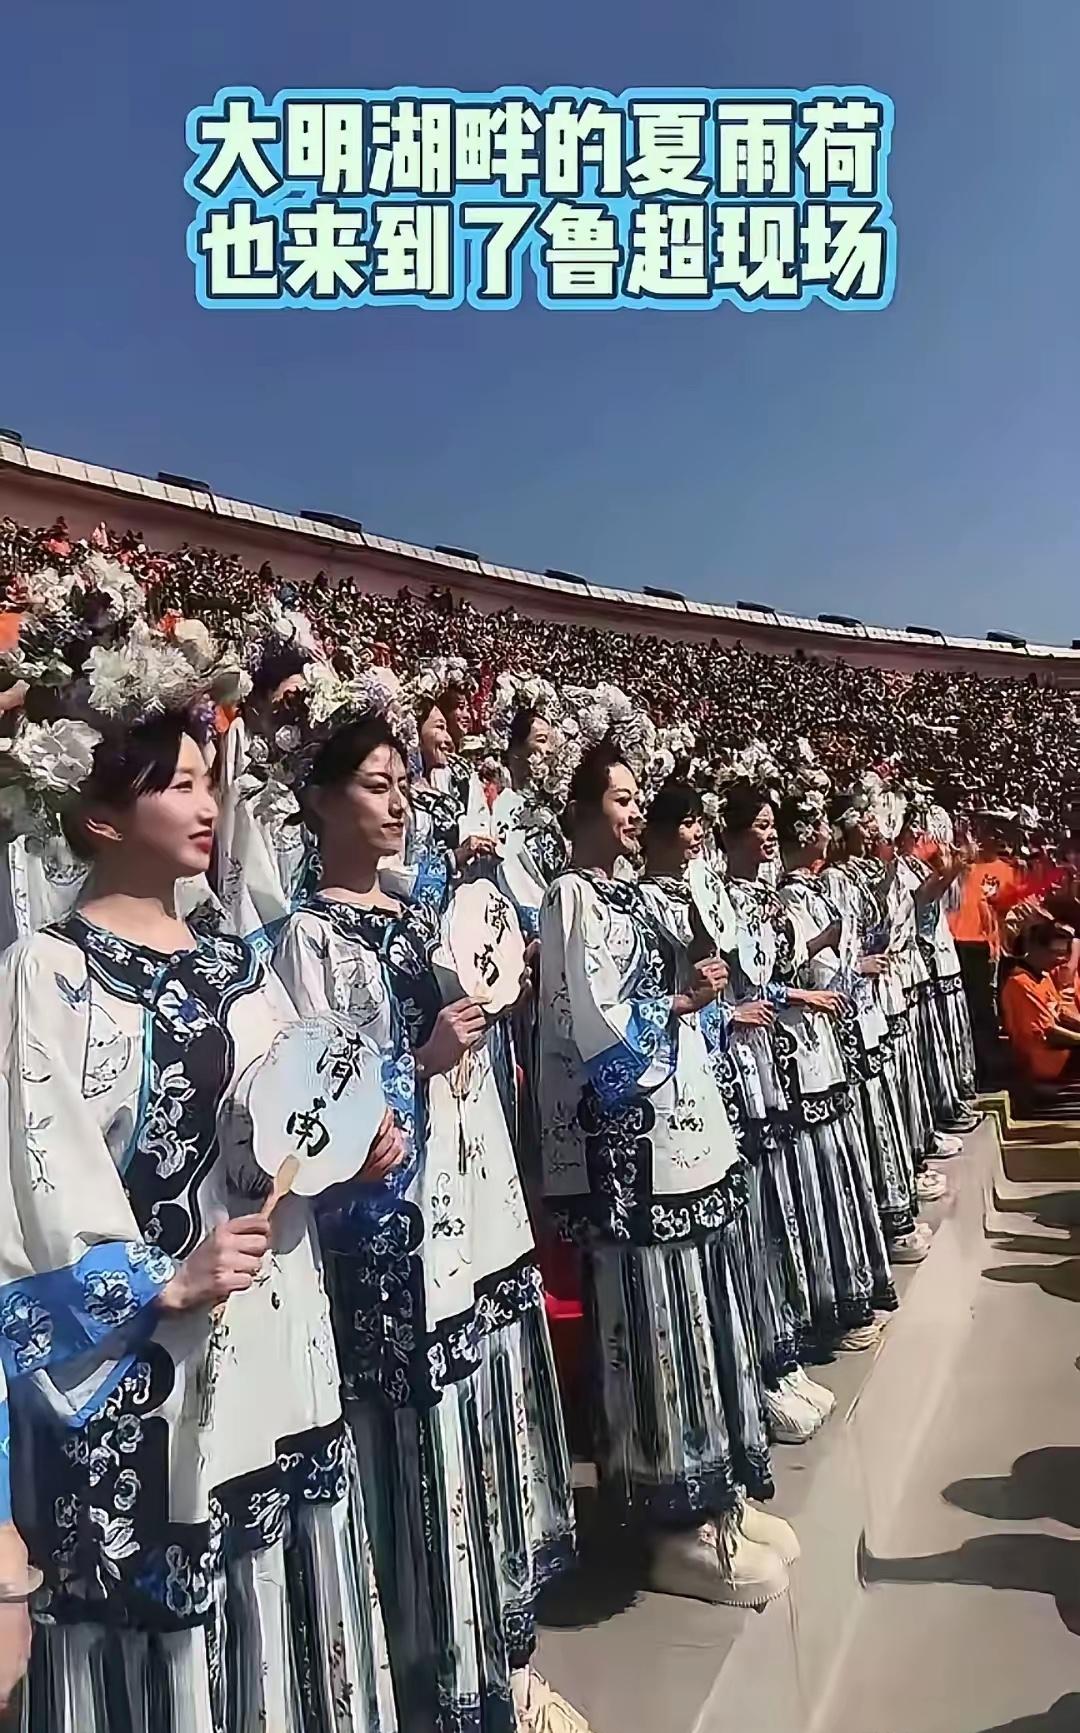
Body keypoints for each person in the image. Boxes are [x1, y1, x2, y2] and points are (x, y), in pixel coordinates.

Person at [0, 710, 396, 1733]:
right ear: (99, 815)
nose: (207, 802)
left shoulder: (238, 963)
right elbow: (39, 1177)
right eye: (177, 784)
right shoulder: (48, 973)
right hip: (148, 1367)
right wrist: (161, 1279)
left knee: (274, 1587)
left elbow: (287, 1125)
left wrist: (353, 1147)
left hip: (277, 1337)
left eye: (206, 780)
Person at [272, 712, 583, 1733]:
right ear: (320, 801)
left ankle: (496, 1658)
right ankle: (440, 1685)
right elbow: (314, 1109)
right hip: (386, 1246)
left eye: (403, 782)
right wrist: (418, 1062)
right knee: (413, 1450)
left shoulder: (419, 920)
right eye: (375, 783)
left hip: (466, 1215)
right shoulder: (306, 940)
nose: (399, 801)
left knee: (474, 1425)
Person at [539, 744, 799, 1610]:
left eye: (634, 798)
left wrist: (701, 986)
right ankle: (666, 1513)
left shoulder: (636, 896)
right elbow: (592, 1026)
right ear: (582, 808)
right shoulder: (572, 896)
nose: (630, 812)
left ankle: (717, 1488)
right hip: (631, 1154)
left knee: (699, 1311)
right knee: (654, 1324)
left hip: (682, 1131)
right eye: (618, 798)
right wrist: (682, 1000)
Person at [640, 780, 837, 1447]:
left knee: (767, 1215)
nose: (772, 834)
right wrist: (730, 1011)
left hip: (751, 1071)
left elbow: (751, 972)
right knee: (746, 1217)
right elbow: (703, 992)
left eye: (775, 823)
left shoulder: (728, 897)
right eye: (759, 824)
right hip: (717, 1076)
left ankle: (779, 1358)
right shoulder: (656, 902)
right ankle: (760, 1375)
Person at [1000, 921, 1080, 1117]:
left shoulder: (1043, 977)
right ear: (1034, 948)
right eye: (1055, 952)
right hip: (1045, 1062)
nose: (1061, 960)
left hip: (1061, 1054)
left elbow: (1060, 1013)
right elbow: (1049, 1033)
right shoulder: (1020, 983)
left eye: (1064, 953)